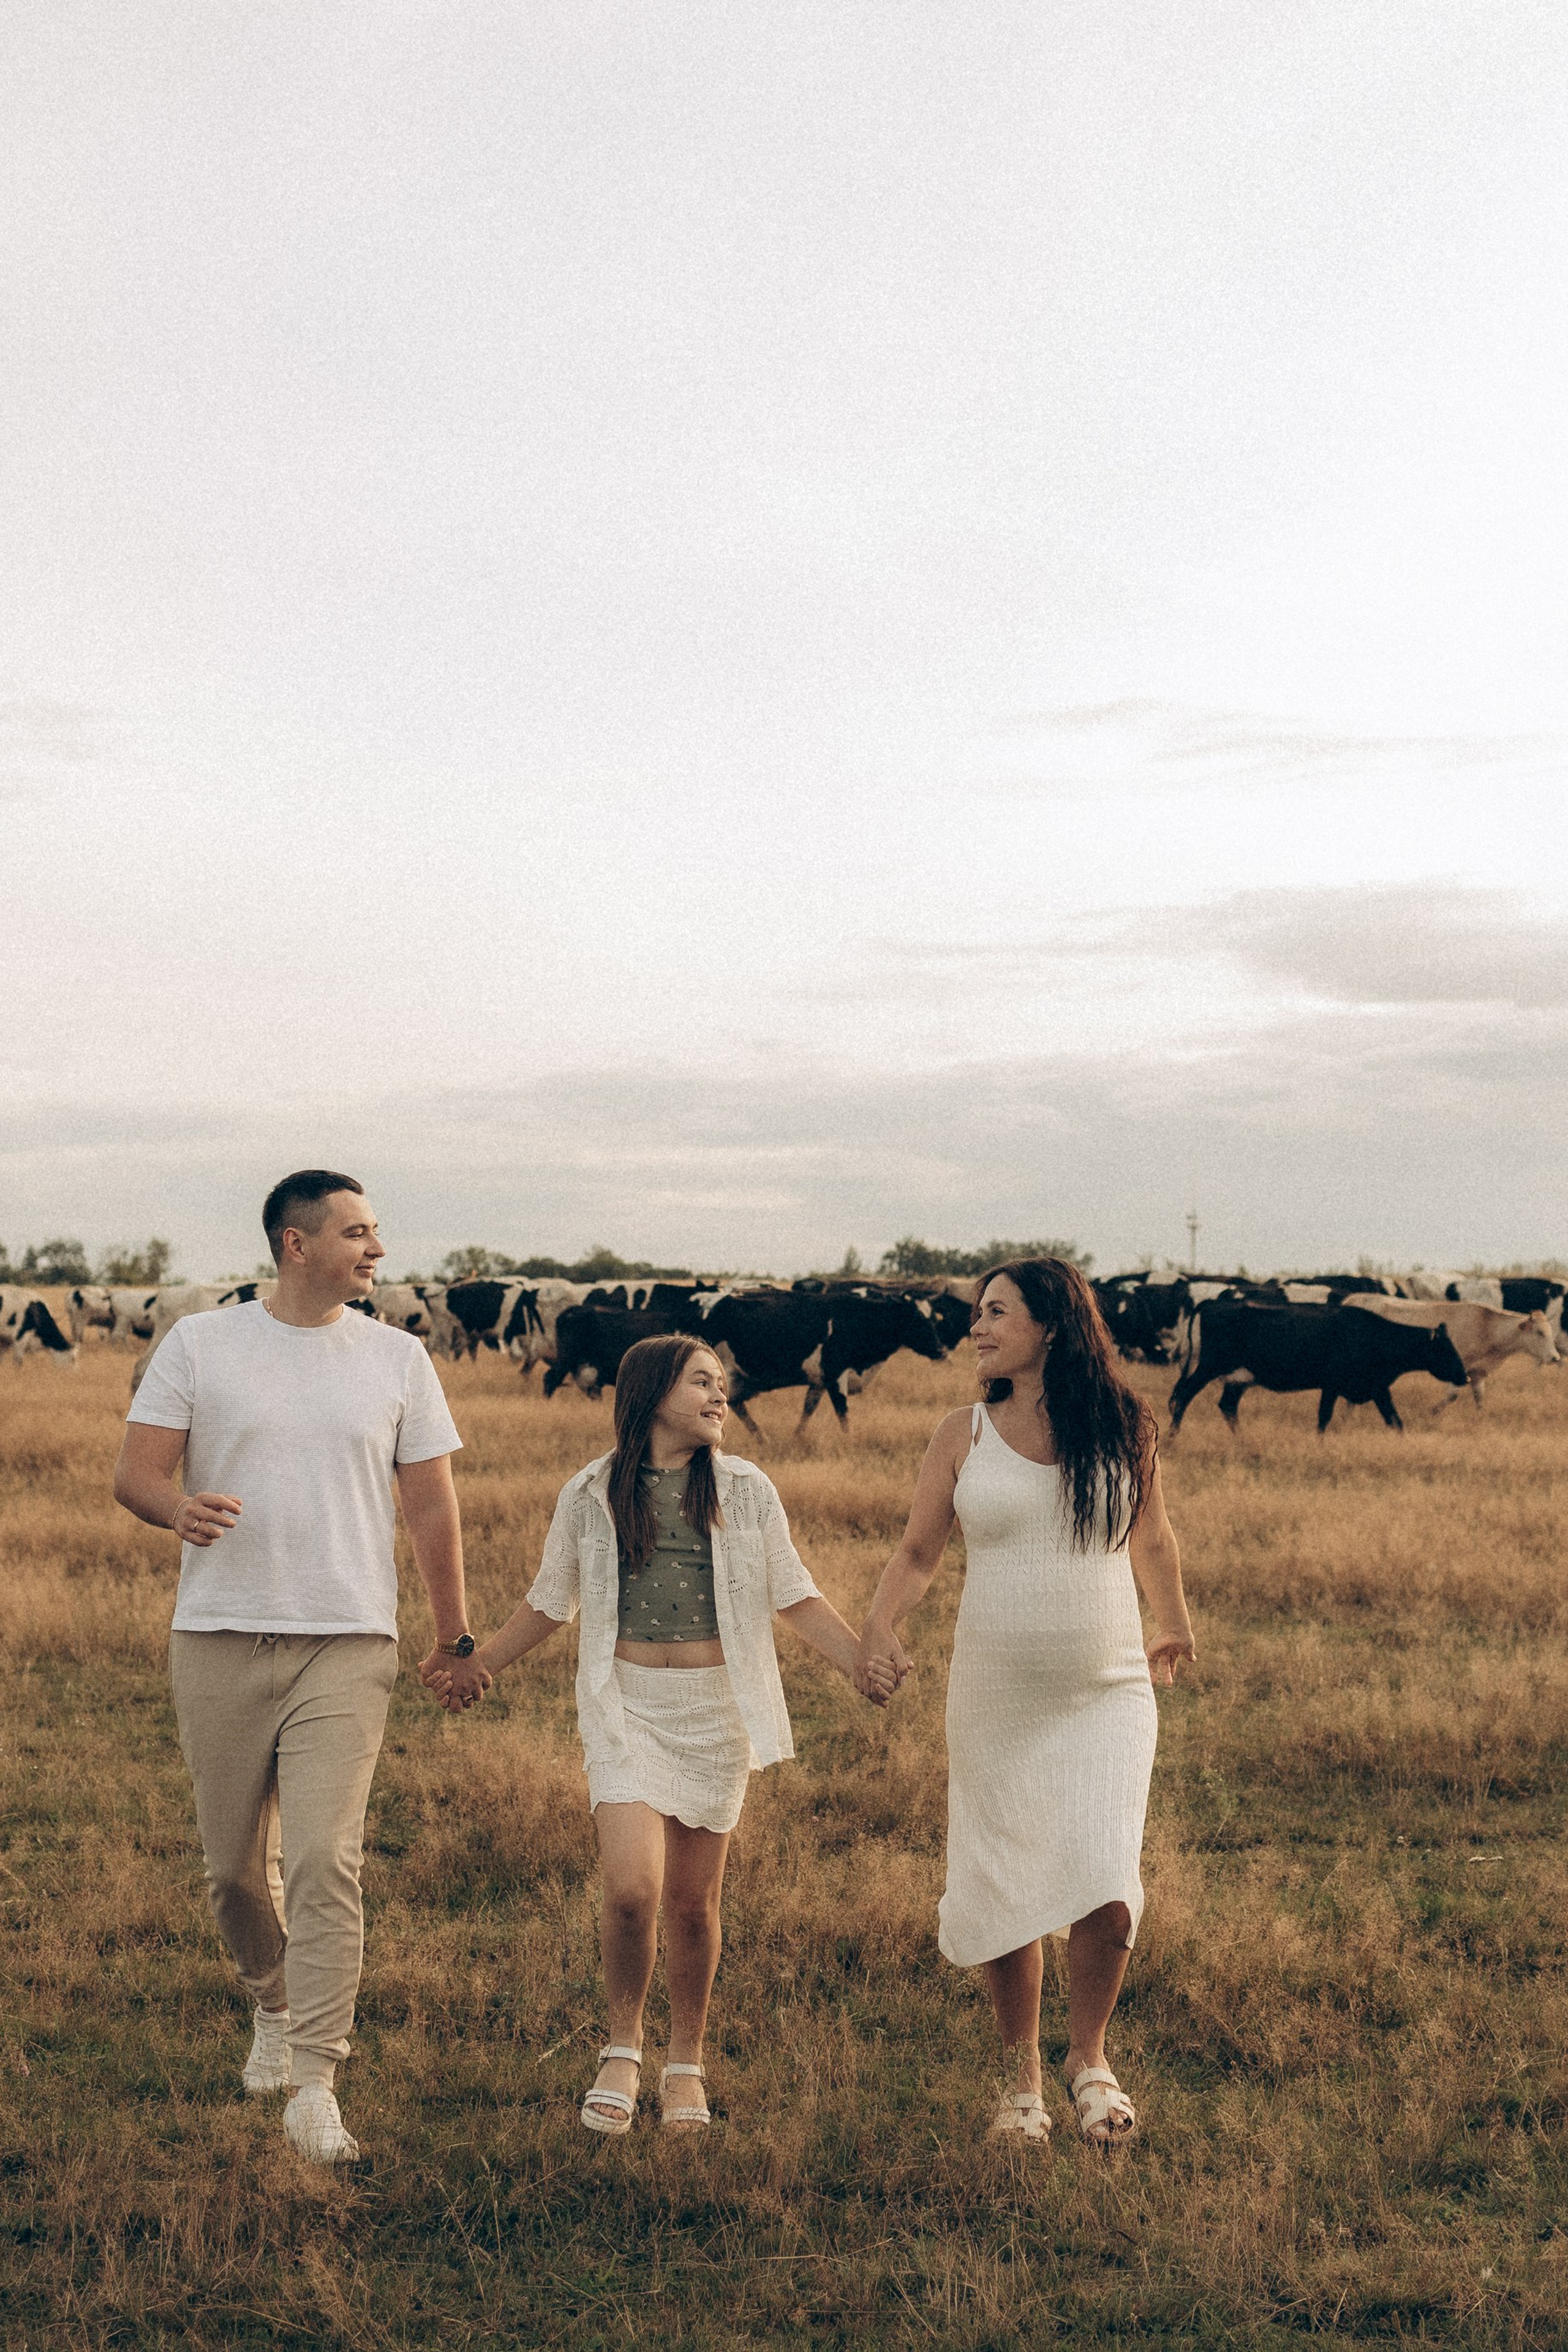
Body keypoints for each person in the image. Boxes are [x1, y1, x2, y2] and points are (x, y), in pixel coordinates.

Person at [113, 1170, 478, 2165]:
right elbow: (137, 1473)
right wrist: (172, 1509)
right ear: (295, 1244)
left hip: (348, 1638)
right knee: (232, 1872)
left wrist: (453, 1632)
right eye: (358, 1233)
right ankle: (269, 2003)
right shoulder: (201, 1344)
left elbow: (433, 1507)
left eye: (378, 1232)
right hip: (221, 1633)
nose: (378, 1250)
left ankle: (315, 2081)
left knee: (325, 1858)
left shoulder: (399, 1359)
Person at [424, 1333, 873, 2134]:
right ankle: (622, 2047)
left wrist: (860, 1661)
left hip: (715, 1711)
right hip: (625, 1707)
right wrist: (477, 1664)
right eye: (702, 1381)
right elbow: (549, 1600)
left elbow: (794, 1594)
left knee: (694, 1908)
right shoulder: (591, 1491)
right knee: (633, 1893)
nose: (719, 1396)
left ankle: (685, 2064)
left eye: (722, 1384)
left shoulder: (746, 1489)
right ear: (653, 1392)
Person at [856, 1257, 1194, 2146]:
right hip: (997, 1693)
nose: (978, 1326)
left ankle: (1090, 2059)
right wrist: (880, 1626)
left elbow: (1153, 1539)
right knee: (1005, 1876)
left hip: (1109, 1688)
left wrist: (1173, 1625)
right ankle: (1021, 2081)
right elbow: (919, 1552)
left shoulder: (1124, 1425)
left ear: (1051, 1325)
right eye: (978, 1312)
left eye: (996, 1311)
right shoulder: (961, 1433)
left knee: (1108, 1880)